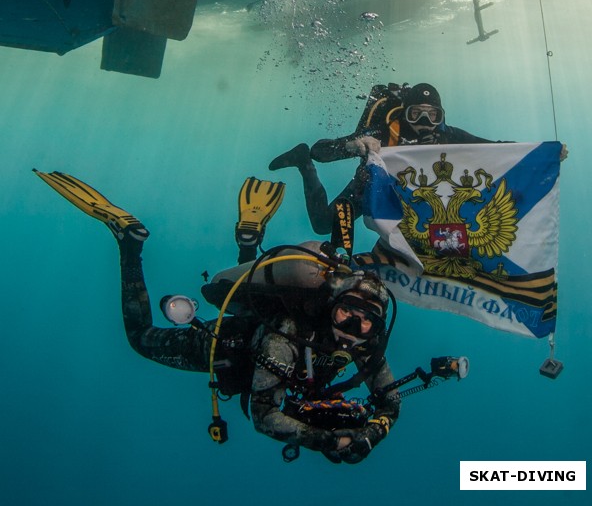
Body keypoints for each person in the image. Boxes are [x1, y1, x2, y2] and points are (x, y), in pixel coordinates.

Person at [33, 170, 400, 464]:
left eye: (366, 319)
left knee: (249, 300)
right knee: (141, 338)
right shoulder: (288, 333)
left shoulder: (367, 345)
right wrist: (326, 440)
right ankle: (129, 243)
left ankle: (247, 243)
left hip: (265, 333)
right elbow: (264, 415)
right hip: (229, 346)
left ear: (379, 325)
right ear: (332, 304)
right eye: (346, 312)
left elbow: (391, 402)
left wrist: (370, 435)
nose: (353, 326)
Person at [269, 82, 506, 235]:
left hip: (414, 199)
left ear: (440, 117)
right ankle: (302, 165)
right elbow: (319, 151)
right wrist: (353, 146)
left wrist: (538, 154)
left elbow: (494, 149)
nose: (424, 121)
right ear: (405, 113)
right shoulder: (383, 131)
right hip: (372, 188)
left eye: (432, 115)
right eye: (416, 113)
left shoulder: (447, 134)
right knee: (322, 225)